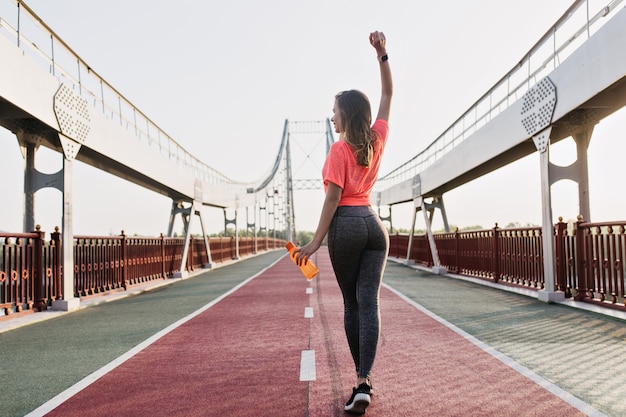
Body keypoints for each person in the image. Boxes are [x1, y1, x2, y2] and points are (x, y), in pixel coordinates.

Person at [294, 30, 392, 415]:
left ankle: (361, 384)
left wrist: (316, 241)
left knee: (353, 303)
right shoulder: (375, 140)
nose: (330, 115)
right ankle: (366, 378)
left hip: (348, 227)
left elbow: (333, 197)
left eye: (333, 110)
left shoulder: (338, 148)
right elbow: (387, 96)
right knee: (372, 301)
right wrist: (383, 55)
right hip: (374, 225)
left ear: (345, 115)